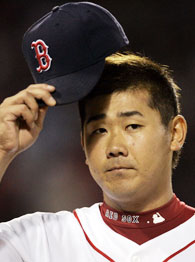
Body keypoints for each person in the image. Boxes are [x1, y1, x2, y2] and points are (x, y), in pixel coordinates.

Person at [0, 52, 194, 261]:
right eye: (99, 130)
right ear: (83, 143)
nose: (115, 147)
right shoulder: (38, 240)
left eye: (132, 126)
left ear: (175, 133)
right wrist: (2, 150)